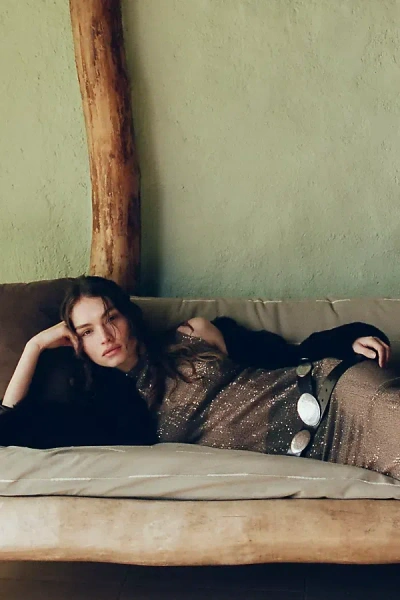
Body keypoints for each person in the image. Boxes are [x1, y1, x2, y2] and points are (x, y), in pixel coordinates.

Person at [0, 276, 397, 480]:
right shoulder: (103, 410)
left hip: (333, 391)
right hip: (311, 447)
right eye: (87, 331)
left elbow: (285, 354)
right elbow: (11, 427)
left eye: (111, 318)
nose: (105, 336)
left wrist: (347, 340)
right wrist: (34, 347)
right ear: (76, 344)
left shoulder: (192, 334)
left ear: (128, 316)